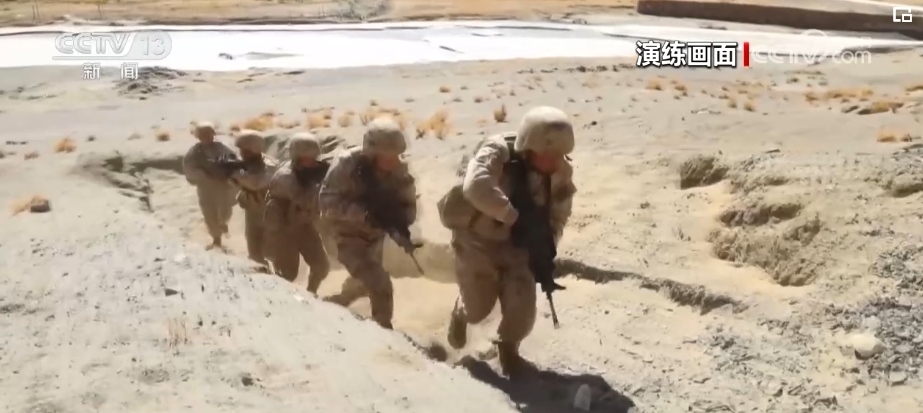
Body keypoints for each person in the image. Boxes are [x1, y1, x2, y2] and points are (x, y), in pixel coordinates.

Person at [436, 106, 577, 378]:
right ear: (530, 146)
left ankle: (508, 349)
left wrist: (547, 245)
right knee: (478, 309)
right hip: (477, 240)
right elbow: (475, 186)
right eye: (548, 154)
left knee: (522, 306)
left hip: (518, 246)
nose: (555, 162)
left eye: (560, 155)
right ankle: (460, 312)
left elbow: (560, 213)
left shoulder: (561, 171)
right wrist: (513, 217)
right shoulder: (497, 152)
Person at [319, 117, 418, 330]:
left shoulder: (399, 173)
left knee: (363, 282)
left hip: (374, 237)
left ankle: (335, 304)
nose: (393, 161)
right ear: (372, 153)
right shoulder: (347, 165)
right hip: (343, 235)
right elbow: (326, 203)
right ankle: (384, 331)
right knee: (379, 282)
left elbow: (408, 207)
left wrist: (399, 226)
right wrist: (362, 213)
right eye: (387, 156)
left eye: (396, 155)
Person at [264, 132, 332, 293]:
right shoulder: (286, 176)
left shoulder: (312, 171)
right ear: (296, 156)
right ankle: (275, 295)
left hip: (304, 226)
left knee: (321, 266)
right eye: (306, 158)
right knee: (288, 274)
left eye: (313, 157)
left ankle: (310, 293)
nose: (311, 162)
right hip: (283, 230)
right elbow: (305, 201)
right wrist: (322, 187)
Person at [226, 130, 280, 265]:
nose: (242, 153)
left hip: (268, 211)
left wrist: (237, 174)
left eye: (245, 150)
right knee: (253, 246)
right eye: (241, 150)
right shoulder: (244, 164)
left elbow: (257, 184)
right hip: (251, 210)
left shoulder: (269, 165)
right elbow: (236, 185)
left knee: (270, 248)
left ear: (255, 149)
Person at [182, 121, 237, 250]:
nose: (207, 137)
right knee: (209, 213)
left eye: (209, 134)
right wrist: (203, 176)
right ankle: (216, 239)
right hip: (205, 187)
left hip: (222, 185)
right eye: (204, 135)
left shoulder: (222, 147)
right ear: (199, 137)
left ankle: (223, 224)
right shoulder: (195, 152)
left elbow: (235, 160)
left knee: (225, 209)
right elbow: (189, 168)